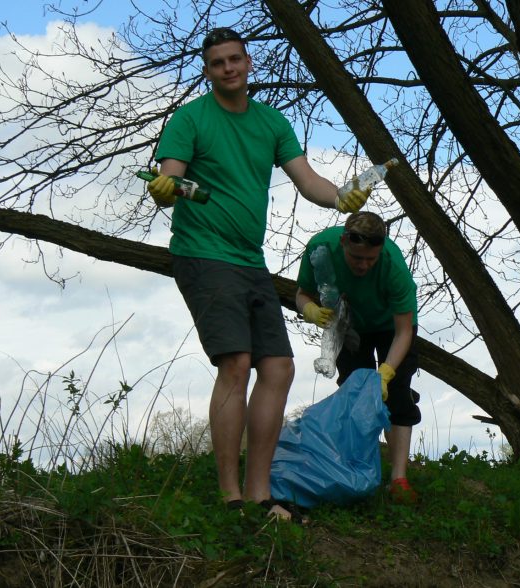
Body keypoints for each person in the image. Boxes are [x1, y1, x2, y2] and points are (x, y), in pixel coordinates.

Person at [145, 27, 371, 521]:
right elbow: (171, 173)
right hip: (203, 254)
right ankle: (230, 498)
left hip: (251, 261)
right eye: (217, 63)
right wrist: (165, 187)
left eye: (235, 60)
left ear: (248, 64)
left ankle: (258, 493)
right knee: (237, 363)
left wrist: (341, 197)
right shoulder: (190, 119)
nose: (228, 68)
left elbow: (307, 178)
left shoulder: (272, 123)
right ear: (208, 72)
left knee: (279, 368)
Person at [295, 211, 420, 503]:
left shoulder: (393, 266)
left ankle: (398, 479)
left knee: (397, 392)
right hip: (350, 325)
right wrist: (309, 310)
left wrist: (387, 372)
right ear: (343, 243)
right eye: (357, 259)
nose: (364, 265)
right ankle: (359, 470)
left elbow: (404, 332)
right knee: (354, 392)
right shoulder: (320, 249)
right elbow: (303, 293)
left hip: (391, 327)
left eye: (370, 260)